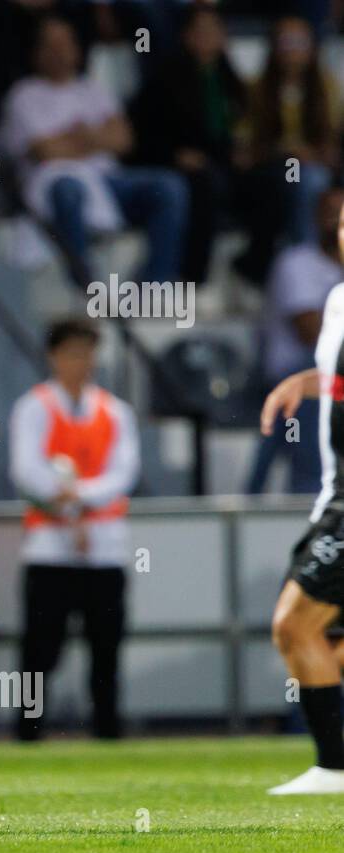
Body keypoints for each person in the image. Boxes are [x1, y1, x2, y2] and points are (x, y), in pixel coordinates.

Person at [9, 318, 139, 741]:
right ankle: (28, 734)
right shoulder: (35, 407)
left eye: (87, 353)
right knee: (40, 650)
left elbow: (122, 474)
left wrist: (75, 496)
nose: (81, 363)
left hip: (104, 547)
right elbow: (27, 471)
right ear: (53, 356)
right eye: (71, 353)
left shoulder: (114, 411)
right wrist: (65, 506)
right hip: (49, 548)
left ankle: (107, 730)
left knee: (106, 650)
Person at [258, 192, 344, 794]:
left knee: (294, 624)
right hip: (332, 495)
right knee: (328, 636)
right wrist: (306, 382)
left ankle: (334, 768)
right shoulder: (338, 299)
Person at [0, 14, 187, 284]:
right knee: (67, 189)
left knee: (169, 187)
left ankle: (153, 284)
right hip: (55, 183)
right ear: (37, 52)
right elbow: (45, 152)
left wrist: (73, 139)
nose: (60, 52)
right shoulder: (23, 94)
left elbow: (124, 140)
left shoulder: (92, 89)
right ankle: (85, 282)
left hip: (107, 180)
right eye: (52, 45)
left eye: (66, 43)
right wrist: (94, 137)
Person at [127, 5, 245, 284]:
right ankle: (192, 279)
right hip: (178, 167)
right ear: (186, 36)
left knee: (273, 185)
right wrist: (175, 155)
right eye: (200, 31)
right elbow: (142, 134)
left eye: (213, 31)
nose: (207, 38)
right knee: (202, 185)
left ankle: (254, 268)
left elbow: (238, 129)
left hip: (224, 164)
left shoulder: (230, 79)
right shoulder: (165, 78)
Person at [247, 186, 344, 495]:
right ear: (315, 218)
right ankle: (311, 496)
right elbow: (314, 335)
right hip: (293, 376)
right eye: (330, 214)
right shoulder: (296, 262)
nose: (336, 222)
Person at [232, 15, 339, 284]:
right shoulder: (257, 88)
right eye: (286, 41)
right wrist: (287, 151)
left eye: (300, 41)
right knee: (303, 176)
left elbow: (332, 141)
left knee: (312, 176)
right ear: (274, 46)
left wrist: (314, 154)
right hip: (273, 170)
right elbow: (245, 147)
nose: (293, 49)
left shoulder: (327, 87)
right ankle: (305, 259)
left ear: (312, 46)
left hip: (319, 168)